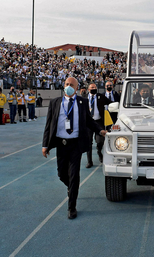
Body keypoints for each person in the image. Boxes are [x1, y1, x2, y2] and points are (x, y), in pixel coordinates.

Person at [42, 77, 107, 219]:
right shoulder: (55, 103)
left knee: (74, 175)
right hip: (61, 143)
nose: (68, 86)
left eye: (71, 85)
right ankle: (71, 188)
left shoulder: (82, 103)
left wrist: (100, 130)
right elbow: (48, 125)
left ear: (76, 88)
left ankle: (72, 207)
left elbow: (89, 121)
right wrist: (45, 145)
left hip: (76, 145)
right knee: (61, 174)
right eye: (66, 84)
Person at [86, 83, 110, 168]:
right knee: (88, 143)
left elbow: (110, 103)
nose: (94, 88)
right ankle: (89, 161)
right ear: (88, 89)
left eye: (95, 87)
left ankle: (99, 152)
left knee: (100, 141)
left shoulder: (100, 96)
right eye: (92, 87)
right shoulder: (84, 98)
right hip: (88, 123)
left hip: (99, 122)